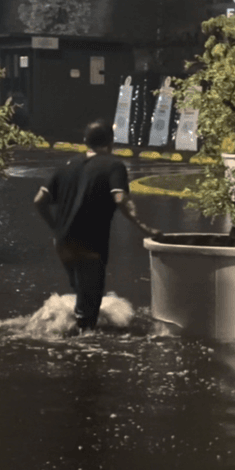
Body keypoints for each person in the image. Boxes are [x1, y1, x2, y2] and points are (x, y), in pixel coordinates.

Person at [33, 119, 162, 336]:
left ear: (85, 141)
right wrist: (143, 227)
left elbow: (39, 200)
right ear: (111, 143)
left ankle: (68, 333)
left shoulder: (67, 165)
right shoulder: (113, 166)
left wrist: (56, 227)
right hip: (90, 244)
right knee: (89, 305)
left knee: (81, 292)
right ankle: (83, 351)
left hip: (63, 244)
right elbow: (120, 198)